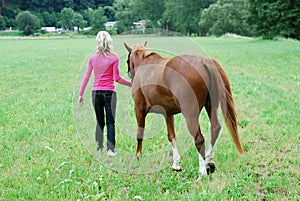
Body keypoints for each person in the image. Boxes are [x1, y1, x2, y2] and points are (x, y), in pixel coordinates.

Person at [78, 31, 132, 157]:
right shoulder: (114, 57)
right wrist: (132, 84)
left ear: (97, 42)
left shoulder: (92, 58)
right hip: (110, 93)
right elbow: (117, 78)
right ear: (109, 42)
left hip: (95, 93)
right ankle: (110, 150)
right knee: (110, 122)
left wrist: (81, 94)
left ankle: (99, 147)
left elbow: (86, 76)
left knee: (99, 121)